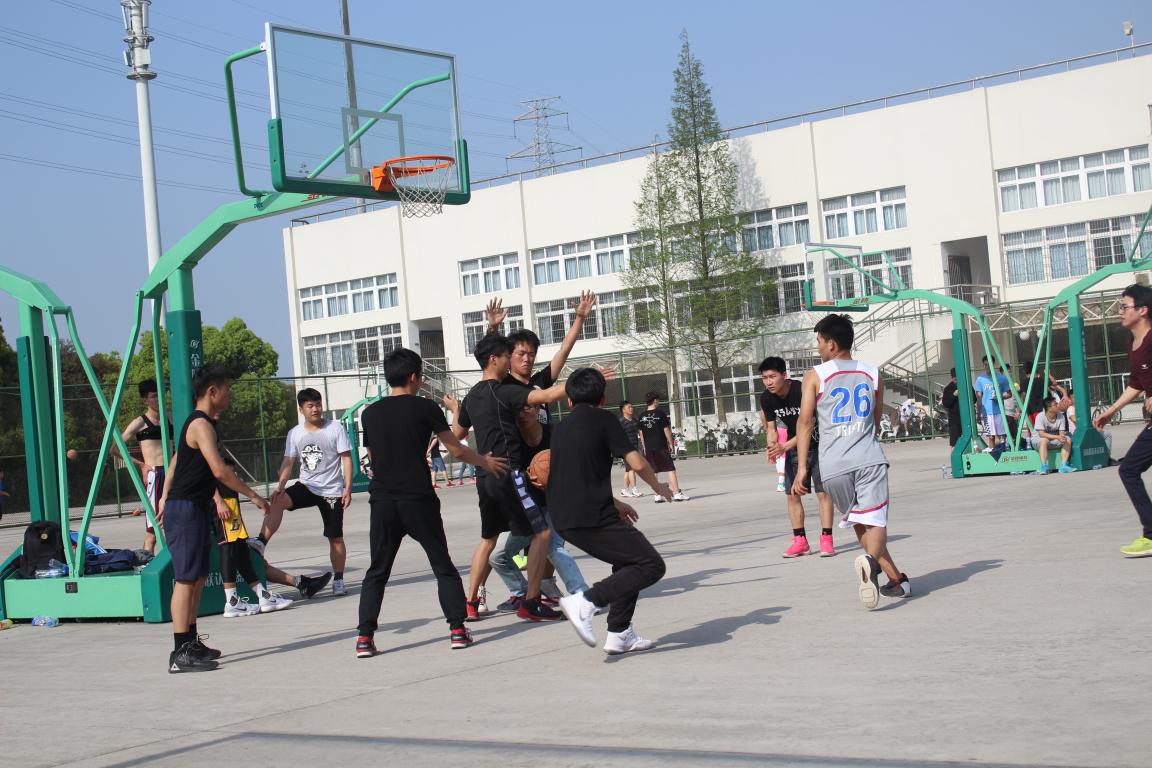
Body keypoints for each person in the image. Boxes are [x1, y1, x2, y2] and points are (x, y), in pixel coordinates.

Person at [355, 348, 509, 657]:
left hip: (383, 500)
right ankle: (457, 630)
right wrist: (486, 462)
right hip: (418, 499)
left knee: (377, 572)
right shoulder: (425, 407)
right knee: (442, 566)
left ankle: (364, 638)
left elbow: (373, 457)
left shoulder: (369, 414)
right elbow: (457, 449)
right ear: (414, 377)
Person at [157, 363, 271, 673]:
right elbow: (219, 471)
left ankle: (191, 643)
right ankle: (179, 653)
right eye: (227, 389)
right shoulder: (199, 424)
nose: (230, 394)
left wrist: (165, 494)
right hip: (185, 509)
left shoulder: (204, 424)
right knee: (185, 579)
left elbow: (177, 462)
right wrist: (253, 496)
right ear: (212, 391)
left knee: (196, 578)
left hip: (195, 507)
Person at [792, 315, 911, 609]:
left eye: (819, 342)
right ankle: (871, 563)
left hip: (833, 465)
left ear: (831, 344)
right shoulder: (872, 372)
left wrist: (803, 468)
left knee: (860, 521)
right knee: (876, 520)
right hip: (868, 457)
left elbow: (805, 422)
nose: (818, 347)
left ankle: (895, 579)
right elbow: (875, 418)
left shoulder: (815, 375)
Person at [447, 332, 568, 622]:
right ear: (494, 359)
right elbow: (546, 395)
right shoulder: (503, 391)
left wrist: (456, 411)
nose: (509, 361)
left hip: (484, 477)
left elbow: (457, 435)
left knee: (488, 539)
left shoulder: (472, 397)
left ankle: (470, 603)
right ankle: (531, 602)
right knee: (542, 533)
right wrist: (585, 381)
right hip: (508, 472)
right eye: (506, 356)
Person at [553, 368, 673, 654]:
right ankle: (585, 602)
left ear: (568, 400)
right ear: (603, 399)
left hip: (563, 515)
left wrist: (616, 503)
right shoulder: (605, 419)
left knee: (628, 561)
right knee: (651, 565)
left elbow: (577, 475)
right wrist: (659, 487)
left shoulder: (560, 428)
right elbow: (637, 462)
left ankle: (620, 633)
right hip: (591, 515)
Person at [487, 403, 591, 610]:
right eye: (516, 410)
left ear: (537, 410)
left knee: (553, 546)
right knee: (498, 557)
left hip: (556, 502)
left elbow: (577, 466)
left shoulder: (555, 434)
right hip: (528, 509)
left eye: (526, 408)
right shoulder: (510, 441)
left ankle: (583, 595)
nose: (521, 414)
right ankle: (523, 593)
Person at [252, 389, 350, 597]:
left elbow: (346, 458)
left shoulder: (335, 428)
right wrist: (280, 486)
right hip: (307, 485)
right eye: (310, 406)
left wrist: (347, 487)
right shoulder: (295, 433)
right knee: (278, 500)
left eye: (318, 404)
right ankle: (261, 542)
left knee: (335, 538)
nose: (315, 409)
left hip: (331, 490)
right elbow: (288, 462)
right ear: (301, 409)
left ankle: (339, 580)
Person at [214, 457, 330, 617]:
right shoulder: (205, 451)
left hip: (230, 502)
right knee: (230, 548)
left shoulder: (213, 452)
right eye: (233, 473)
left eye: (235, 472)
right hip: (221, 503)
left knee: (241, 550)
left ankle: (263, 595)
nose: (236, 476)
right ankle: (232, 601)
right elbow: (206, 476)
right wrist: (219, 500)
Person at [1095, 284, 1152, 558]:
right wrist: (1112, 410)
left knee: (1128, 470)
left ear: (1142, 310)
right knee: (1129, 469)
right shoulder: (1134, 345)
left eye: (1124, 306)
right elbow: (1136, 384)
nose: (1120, 311)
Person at [758, 356, 836, 558]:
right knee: (792, 494)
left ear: (784, 375)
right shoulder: (766, 398)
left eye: (772, 376)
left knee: (823, 493)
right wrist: (772, 446)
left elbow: (809, 425)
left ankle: (826, 539)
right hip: (795, 446)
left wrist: (784, 446)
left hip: (819, 444)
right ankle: (800, 541)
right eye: (765, 378)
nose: (768, 382)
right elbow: (771, 428)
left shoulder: (802, 390)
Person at [120, 379, 172, 554]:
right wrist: (142, 464)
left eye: (161, 395)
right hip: (156, 475)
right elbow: (115, 449)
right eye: (154, 396)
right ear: (145, 400)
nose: (158, 400)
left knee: (176, 524)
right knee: (153, 530)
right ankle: (146, 562)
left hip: (173, 473)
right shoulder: (140, 423)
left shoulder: (170, 418)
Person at [637, 392, 689, 502]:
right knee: (670, 469)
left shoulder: (641, 416)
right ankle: (677, 493)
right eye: (658, 400)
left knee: (654, 471)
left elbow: (641, 433)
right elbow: (666, 430)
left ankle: (657, 495)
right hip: (661, 446)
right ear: (655, 400)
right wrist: (671, 443)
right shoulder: (660, 414)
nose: (658, 402)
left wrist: (645, 446)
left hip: (649, 448)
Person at [1030, 396, 1075, 475]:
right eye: (1055, 404)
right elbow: (1041, 434)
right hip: (1038, 441)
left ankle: (1064, 466)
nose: (1058, 405)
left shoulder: (1061, 416)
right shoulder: (1040, 416)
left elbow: (1061, 434)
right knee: (1044, 440)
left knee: (1067, 439)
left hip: (1053, 440)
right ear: (1049, 408)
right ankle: (1044, 467)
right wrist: (1057, 437)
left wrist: (1061, 437)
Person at [973, 356, 1011, 450]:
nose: (987, 367)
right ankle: (992, 454)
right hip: (987, 412)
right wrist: (979, 414)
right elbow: (978, 398)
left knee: (1003, 436)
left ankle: (1004, 453)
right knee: (991, 437)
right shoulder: (980, 379)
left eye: (989, 364)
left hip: (999, 412)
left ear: (993, 364)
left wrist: (1000, 397)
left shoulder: (1001, 378)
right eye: (985, 364)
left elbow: (1009, 394)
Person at [618, 400, 642, 498]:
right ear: (623, 410)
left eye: (632, 407)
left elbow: (640, 433)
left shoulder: (635, 421)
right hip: (626, 449)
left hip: (634, 448)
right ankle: (634, 489)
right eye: (629, 407)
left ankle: (624, 490)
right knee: (632, 468)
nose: (632, 408)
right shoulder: (620, 422)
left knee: (628, 470)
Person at [940, 368, 962, 447]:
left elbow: (974, 399)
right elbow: (945, 403)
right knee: (954, 443)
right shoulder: (948, 388)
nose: (957, 381)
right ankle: (954, 454)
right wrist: (953, 395)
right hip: (954, 420)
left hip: (966, 418)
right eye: (955, 379)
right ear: (952, 378)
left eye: (958, 379)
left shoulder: (965, 385)